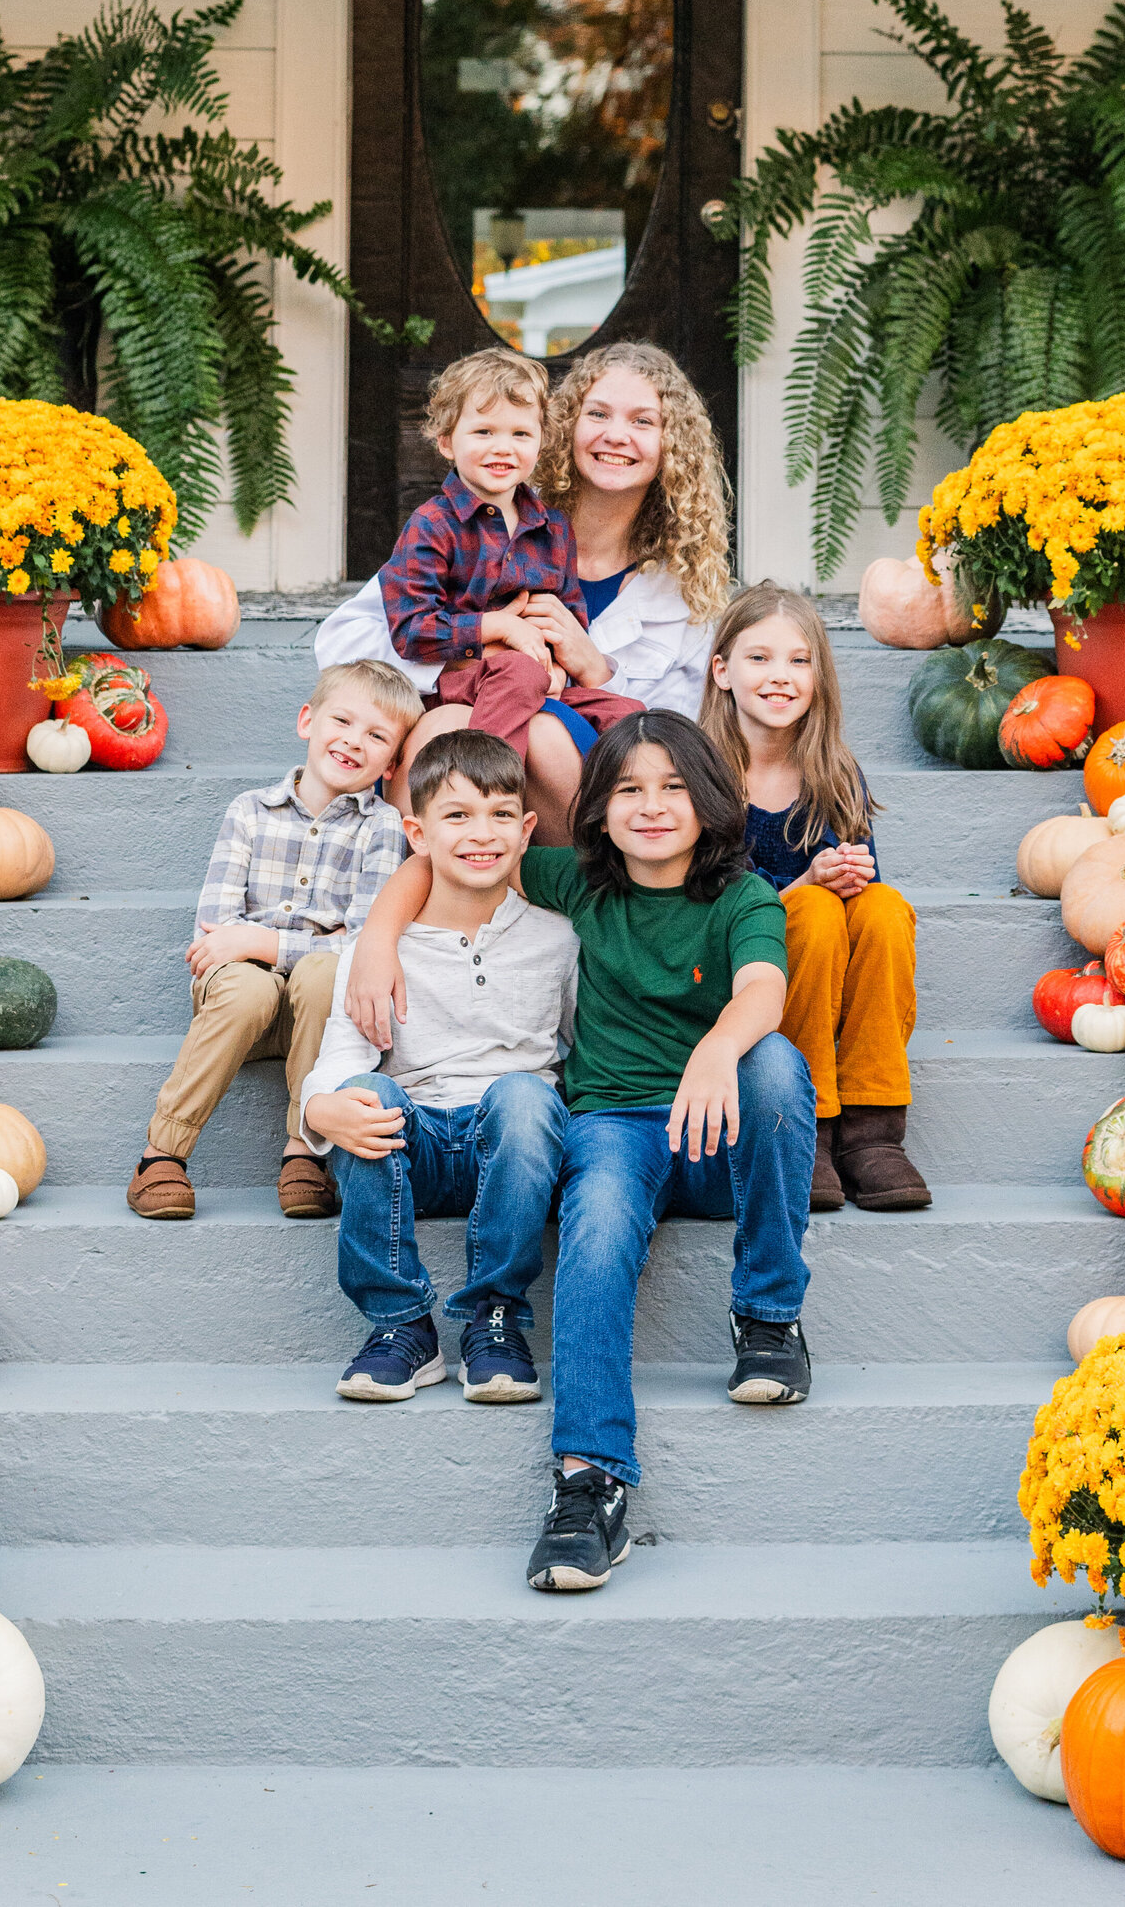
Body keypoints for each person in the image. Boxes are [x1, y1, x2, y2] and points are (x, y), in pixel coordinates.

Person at [348, 709, 816, 1592]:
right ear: (597, 808)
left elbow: (762, 987)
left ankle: (768, 1314)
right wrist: (376, 940)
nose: (651, 806)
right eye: (629, 789)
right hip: (615, 1126)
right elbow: (446, 855)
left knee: (777, 1067)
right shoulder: (579, 884)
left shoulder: (742, 896)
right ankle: (588, 1483)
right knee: (596, 1228)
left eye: (674, 787)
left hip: (719, 1132)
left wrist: (717, 1048)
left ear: (711, 800)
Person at [316, 339, 732, 840]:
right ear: (566, 427)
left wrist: (590, 667)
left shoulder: (679, 586)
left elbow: (685, 734)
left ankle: (581, 886)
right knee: (446, 726)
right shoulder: (479, 516)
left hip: (580, 783)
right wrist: (482, 643)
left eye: (642, 421)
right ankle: (448, 874)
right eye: (598, 414)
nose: (617, 435)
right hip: (461, 727)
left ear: (673, 442)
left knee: (559, 729)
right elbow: (343, 641)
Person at [298, 729, 578, 1405]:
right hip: (413, 1141)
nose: (480, 833)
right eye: (457, 815)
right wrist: (319, 1107)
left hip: (511, 1148)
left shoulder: (558, 937)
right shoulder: (381, 950)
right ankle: (399, 1325)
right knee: (364, 1091)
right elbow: (341, 1052)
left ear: (526, 828)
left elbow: (578, 1051)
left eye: (500, 814)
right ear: (417, 833)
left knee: (527, 1096)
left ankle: (497, 1315)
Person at [124, 658, 422, 1225]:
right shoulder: (249, 812)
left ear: (393, 759)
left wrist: (259, 941)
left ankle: (304, 1154)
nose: (355, 742)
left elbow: (362, 946)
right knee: (246, 988)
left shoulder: (381, 827)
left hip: (320, 1013)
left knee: (325, 973)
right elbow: (213, 933)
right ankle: (161, 1154)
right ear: (308, 721)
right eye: (343, 721)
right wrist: (256, 948)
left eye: (377, 735)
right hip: (235, 1005)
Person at [700, 583, 928, 1215]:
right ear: (722, 670)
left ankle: (872, 1127)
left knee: (883, 908)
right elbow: (709, 899)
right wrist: (804, 888)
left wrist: (854, 872)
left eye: (799, 661)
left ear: (819, 676)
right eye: (760, 659)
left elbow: (862, 884)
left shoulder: (833, 767)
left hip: (828, 962)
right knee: (812, 909)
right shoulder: (702, 774)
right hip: (740, 974)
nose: (781, 677)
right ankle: (814, 1122)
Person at [373, 348, 644, 793]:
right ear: (446, 441)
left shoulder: (553, 528)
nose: (503, 447)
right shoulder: (432, 525)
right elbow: (411, 629)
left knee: (630, 714)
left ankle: (612, 838)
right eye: (483, 431)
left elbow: (570, 617)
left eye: (520, 433)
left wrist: (559, 671)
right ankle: (489, 794)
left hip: (537, 678)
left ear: (541, 442)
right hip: (462, 678)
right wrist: (496, 626)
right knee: (520, 673)